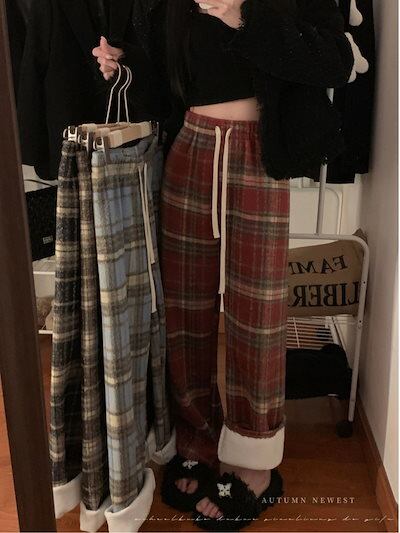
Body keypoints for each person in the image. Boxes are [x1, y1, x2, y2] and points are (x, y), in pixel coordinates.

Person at [92, 0, 354, 529]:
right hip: (189, 148)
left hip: (261, 155)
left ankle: (255, 457)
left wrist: (241, 15)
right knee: (185, 309)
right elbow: (167, 86)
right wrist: (123, 67)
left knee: (257, 313)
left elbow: (336, 62)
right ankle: (196, 436)